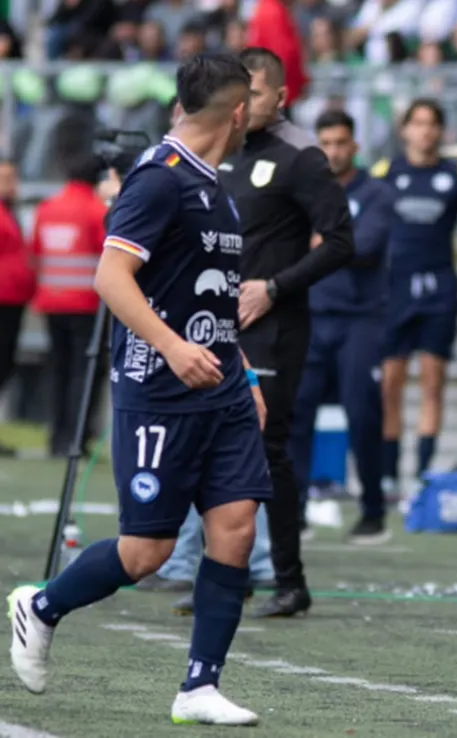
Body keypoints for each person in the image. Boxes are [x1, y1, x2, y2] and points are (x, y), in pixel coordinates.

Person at [9, 52, 267, 725]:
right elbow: (111, 279)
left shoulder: (216, 186)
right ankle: (40, 606)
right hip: (160, 389)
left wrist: (238, 368)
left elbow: (210, 297)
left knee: (236, 527)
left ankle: (199, 686)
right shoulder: (159, 180)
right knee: (148, 551)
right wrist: (174, 348)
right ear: (237, 111)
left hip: (222, 390)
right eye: (259, 103)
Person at [220, 47, 354, 617]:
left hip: (274, 328)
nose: (241, 104)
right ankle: (226, 573)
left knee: (266, 449)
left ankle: (290, 582)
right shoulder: (217, 150)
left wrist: (272, 287)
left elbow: (343, 243)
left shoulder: (301, 156)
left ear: (280, 96)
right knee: (213, 448)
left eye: (252, 93)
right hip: (214, 325)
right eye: (235, 93)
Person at [288, 109, 395, 544]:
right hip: (311, 315)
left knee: (363, 411)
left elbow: (365, 246)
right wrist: (330, 244)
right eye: (326, 143)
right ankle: (292, 511)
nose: (333, 151)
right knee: (297, 415)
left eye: (340, 143)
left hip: (360, 319)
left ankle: (372, 510)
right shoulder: (306, 191)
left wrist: (324, 243)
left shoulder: (377, 193)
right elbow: (296, 243)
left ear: (355, 146)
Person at [372, 98, 457, 494]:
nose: (424, 131)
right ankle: (387, 477)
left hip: (439, 287)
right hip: (395, 288)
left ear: (440, 130)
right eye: (417, 123)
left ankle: (420, 475)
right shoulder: (385, 174)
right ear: (404, 129)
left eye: (431, 123)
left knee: (432, 383)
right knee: (390, 384)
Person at [29, 150, 110, 457]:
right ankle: (77, 438)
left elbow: (36, 251)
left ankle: (56, 437)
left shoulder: (47, 208)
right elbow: (110, 254)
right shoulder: (95, 210)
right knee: (84, 372)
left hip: (51, 301)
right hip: (86, 305)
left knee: (59, 370)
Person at [0, 160, 33, 457]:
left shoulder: (10, 211)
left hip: (12, 301)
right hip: (3, 300)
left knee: (6, 364)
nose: (10, 185)